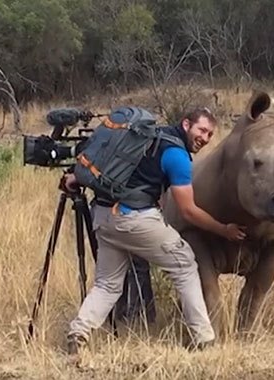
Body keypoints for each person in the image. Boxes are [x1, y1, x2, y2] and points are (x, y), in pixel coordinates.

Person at [62, 107, 246, 357]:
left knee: (107, 284)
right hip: (134, 218)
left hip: (103, 217)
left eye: (211, 134)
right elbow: (188, 211)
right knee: (184, 264)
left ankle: (78, 333)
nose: (205, 138)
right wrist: (224, 230)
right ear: (186, 125)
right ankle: (204, 338)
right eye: (201, 130)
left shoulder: (148, 136)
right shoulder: (177, 155)